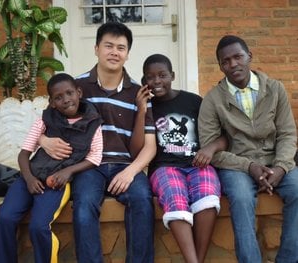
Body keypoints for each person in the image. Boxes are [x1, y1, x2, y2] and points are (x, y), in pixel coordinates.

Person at [39, 22, 157, 262]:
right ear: (96, 49)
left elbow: (150, 144)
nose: (115, 52)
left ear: (127, 54)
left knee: (143, 202)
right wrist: (43, 140)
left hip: (125, 165)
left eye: (121, 48)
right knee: (83, 208)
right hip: (88, 166)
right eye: (109, 46)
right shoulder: (77, 87)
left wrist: (131, 172)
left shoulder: (138, 91)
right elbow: (45, 122)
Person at [198, 35, 298, 263]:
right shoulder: (213, 100)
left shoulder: (275, 89)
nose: (233, 64)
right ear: (220, 66)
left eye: (238, 57)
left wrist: (282, 167)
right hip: (238, 167)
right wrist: (249, 166)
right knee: (242, 199)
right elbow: (211, 148)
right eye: (226, 61)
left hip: (276, 161)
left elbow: (287, 134)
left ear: (249, 56)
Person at [0, 73, 103, 263]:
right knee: (5, 217)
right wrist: (28, 179)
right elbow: (24, 154)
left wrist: (68, 171)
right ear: (52, 102)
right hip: (30, 177)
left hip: (56, 183)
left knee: (38, 226)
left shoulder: (93, 123)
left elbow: (95, 158)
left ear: (79, 93)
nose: (66, 100)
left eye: (69, 93)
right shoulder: (44, 120)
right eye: (58, 97)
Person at [138, 54, 225, 263]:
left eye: (162, 75)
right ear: (144, 82)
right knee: (175, 197)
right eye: (150, 77)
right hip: (164, 167)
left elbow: (223, 136)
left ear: (172, 75)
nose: (157, 81)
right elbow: (137, 146)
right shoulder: (146, 107)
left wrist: (210, 149)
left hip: (197, 164)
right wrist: (141, 111)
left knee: (207, 197)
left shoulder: (193, 101)